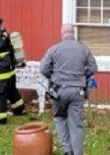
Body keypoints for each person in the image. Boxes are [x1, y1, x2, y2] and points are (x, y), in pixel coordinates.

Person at [39, 23, 98, 155]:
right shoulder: (84, 49)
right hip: (78, 90)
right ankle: (77, 153)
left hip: (58, 91)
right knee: (76, 123)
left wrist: (52, 76)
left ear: (62, 33)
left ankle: (67, 150)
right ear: (74, 33)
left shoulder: (54, 49)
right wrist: (83, 75)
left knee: (60, 118)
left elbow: (43, 69)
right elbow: (93, 68)